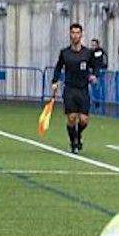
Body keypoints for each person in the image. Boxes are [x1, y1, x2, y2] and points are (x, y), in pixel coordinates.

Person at [50, 22, 97, 153]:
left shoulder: (88, 53)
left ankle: (78, 134)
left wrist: (94, 75)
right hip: (70, 89)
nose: (75, 35)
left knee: (84, 120)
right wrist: (55, 81)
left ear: (81, 35)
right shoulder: (65, 53)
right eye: (73, 33)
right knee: (71, 118)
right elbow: (58, 67)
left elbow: (95, 66)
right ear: (70, 35)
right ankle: (74, 142)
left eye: (77, 33)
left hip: (83, 89)